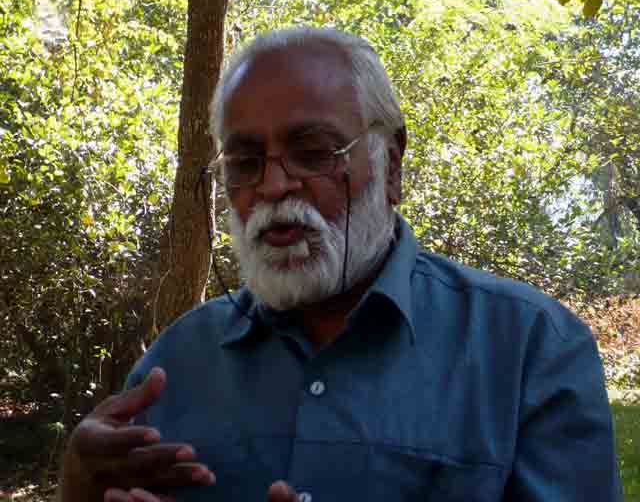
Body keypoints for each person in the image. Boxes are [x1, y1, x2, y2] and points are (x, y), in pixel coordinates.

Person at [59, 27, 621, 502]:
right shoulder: (175, 364)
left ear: (391, 164)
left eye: (312, 154)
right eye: (245, 162)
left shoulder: (529, 350)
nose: (274, 185)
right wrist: (78, 488)